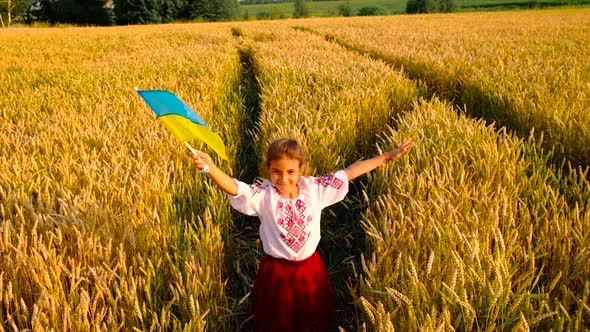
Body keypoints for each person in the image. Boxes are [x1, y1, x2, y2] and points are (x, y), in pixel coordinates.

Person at [191, 138, 414, 332]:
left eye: (290, 172)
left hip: (310, 269)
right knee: (279, 320)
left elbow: (351, 172)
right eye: (276, 171)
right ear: (268, 169)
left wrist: (386, 157)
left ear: (301, 169)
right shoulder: (263, 195)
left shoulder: (314, 188)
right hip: (277, 273)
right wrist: (210, 168)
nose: (283, 178)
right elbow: (234, 188)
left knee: (312, 317)